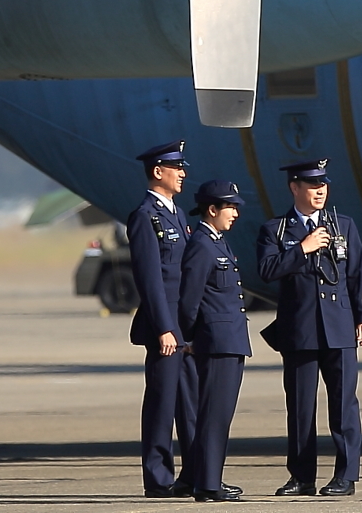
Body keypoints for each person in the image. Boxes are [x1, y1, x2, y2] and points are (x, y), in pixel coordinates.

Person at [257, 158, 362, 497]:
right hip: (300, 330)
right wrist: (302, 249)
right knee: (300, 406)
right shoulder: (276, 230)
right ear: (295, 188)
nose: (320, 190)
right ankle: (302, 476)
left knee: (343, 405)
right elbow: (267, 269)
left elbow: (357, 274)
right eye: (312, 185)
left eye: (323, 184)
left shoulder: (343, 226)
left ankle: (346, 475)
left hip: (339, 327)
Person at [128, 140, 197, 498]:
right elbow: (151, 280)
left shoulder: (177, 214)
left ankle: (195, 473)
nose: (183, 173)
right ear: (158, 172)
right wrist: (165, 328)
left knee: (189, 403)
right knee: (161, 403)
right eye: (177, 168)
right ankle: (158, 479)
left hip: (184, 326)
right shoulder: (144, 216)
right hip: (165, 329)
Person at [178, 180, 251, 503]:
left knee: (220, 415)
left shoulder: (217, 243)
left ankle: (210, 479)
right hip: (216, 341)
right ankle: (207, 484)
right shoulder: (202, 246)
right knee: (213, 414)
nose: (235, 213)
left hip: (230, 339)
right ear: (212, 209)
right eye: (230, 207)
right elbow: (189, 300)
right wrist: (190, 337)